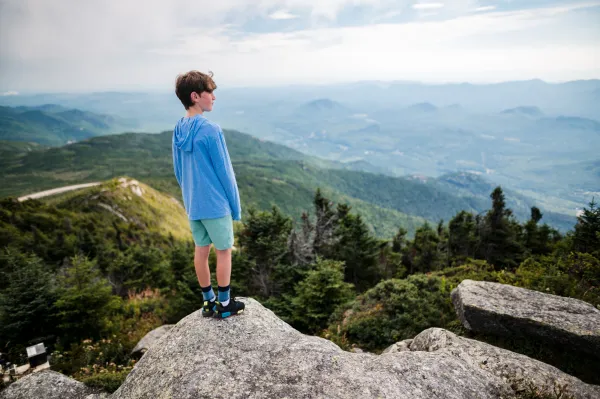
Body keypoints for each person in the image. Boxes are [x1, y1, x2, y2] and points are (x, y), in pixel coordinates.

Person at [172, 70, 245, 319]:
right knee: (224, 251)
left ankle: (208, 301)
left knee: (201, 251)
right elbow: (226, 173)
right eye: (210, 92)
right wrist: (235, 206)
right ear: (195, 96)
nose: (213, 97)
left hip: (194, 205)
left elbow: (178, 171)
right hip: (215, 204)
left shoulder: (179, 129)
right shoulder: (211, 130)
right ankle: (224, 305)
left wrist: (190, 196)